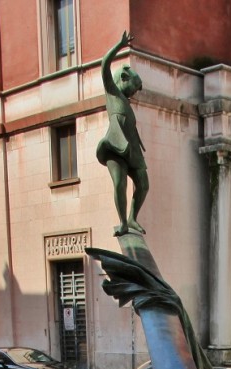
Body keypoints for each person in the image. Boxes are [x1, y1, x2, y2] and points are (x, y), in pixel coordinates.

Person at [97, 31, 149, 236]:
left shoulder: (126, 101)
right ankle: (123, 223)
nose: (134, 93)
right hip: (114, 146)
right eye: (133, 88)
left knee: (143, 184)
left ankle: (132, 218)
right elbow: (104, 66)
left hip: (132, 147)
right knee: (120, 182)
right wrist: (119, 46)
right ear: (124, 78)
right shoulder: (112, 91)